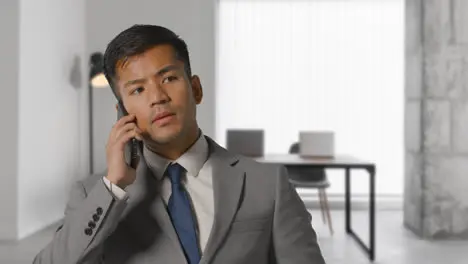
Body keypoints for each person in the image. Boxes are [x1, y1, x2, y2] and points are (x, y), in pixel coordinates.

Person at [33, 24, 325, 264]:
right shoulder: (95, 195)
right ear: (122, 112)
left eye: (169, 78)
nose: (157, 97)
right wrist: (114, 185)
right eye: (137, 89)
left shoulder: (268, 184)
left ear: (195, 88)